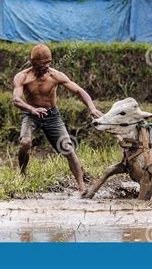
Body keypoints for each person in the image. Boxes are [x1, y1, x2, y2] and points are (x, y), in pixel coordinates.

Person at [12, 44, 103, 192]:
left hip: (52, 115)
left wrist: (91, 107)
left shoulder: (55, 75)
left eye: (49, 63)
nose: (47, 67)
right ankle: (22, 173)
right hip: (31, 114)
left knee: (67, 148)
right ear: (33, 62)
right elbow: (16, 100)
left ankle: (82, 186)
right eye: (43, 64)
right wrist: (32, 109)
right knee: (25, 142)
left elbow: (79, 91)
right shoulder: (23, 77)